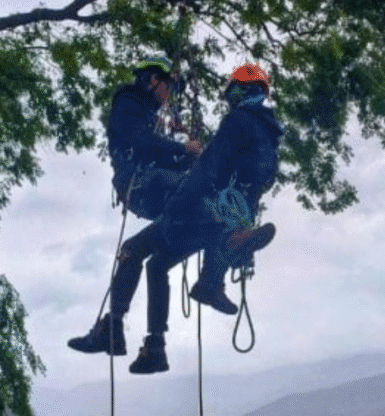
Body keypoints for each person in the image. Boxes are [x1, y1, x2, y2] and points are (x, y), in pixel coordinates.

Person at [68, 62, 284, 374]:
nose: (170, 96)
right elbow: (240, 178)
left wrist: (185, 177)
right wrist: (183, 151)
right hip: (204, 210)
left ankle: (115, 328)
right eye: (169, 87)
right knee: (157, 262)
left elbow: (210, 167)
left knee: (135, 248)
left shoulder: (238, 122)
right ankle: (156, 344)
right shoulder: (268, 137)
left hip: (190, 210)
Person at [108, 56, 203, 220]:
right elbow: (141, 139)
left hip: (152, 181)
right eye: (170, 87)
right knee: (194, 190)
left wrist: (190, 158)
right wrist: (183, 147)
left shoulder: (150, 118)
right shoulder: (127, 102)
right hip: (136, 181)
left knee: (201, 199)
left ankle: (149, 242)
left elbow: (169, 164)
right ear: (154, 79)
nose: (170, 94)